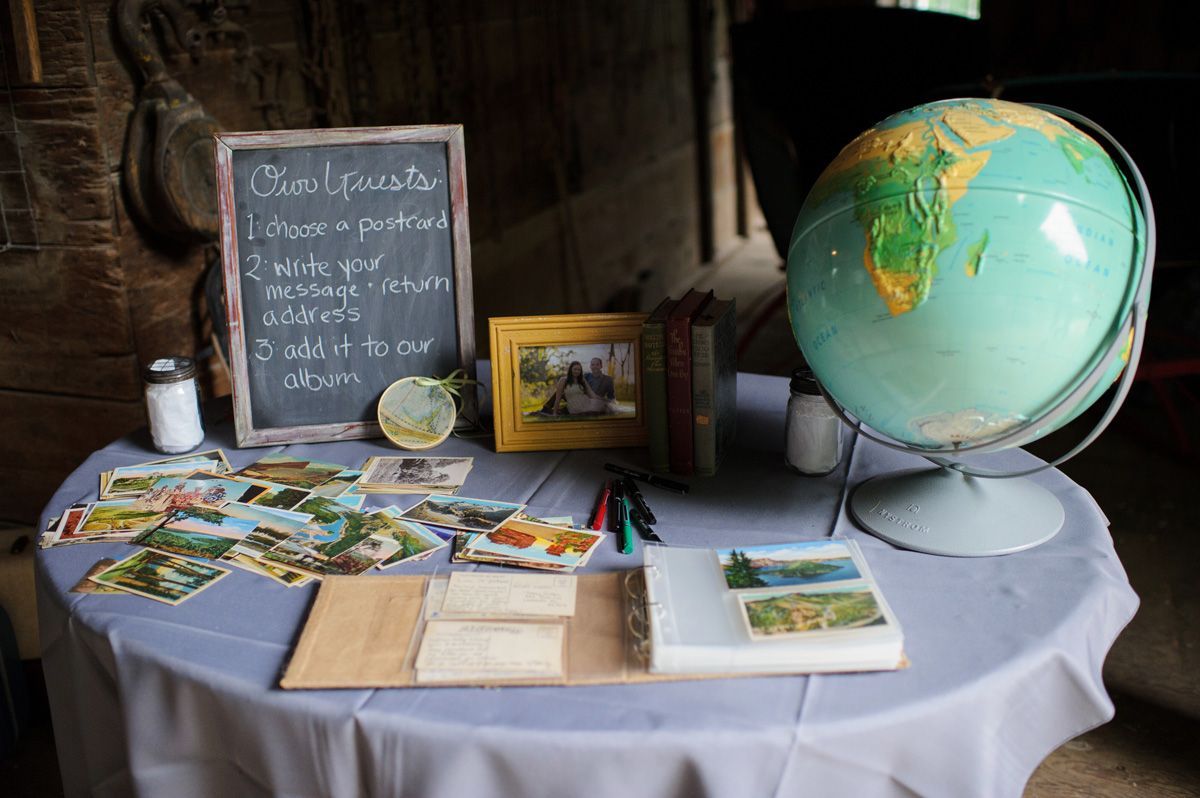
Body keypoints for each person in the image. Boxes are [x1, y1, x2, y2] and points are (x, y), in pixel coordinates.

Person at [552, 361, 616, 416]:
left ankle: (614, 414)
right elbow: (558, 398)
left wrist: (605, 400)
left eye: (579, 370)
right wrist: (554, 413)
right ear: (570, 369)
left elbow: (592, 395)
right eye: (575, 369)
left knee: (607, 405)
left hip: (587, 402)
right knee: (606, 407)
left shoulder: (582, 380)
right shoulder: (563, 380)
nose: (577, 371)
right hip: (574, 408)